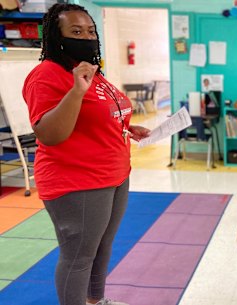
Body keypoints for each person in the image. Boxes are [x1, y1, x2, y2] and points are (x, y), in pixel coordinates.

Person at [22, 3, 149, 305]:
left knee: (103, 247)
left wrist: (129, 127)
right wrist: (76, 91)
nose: (87, 36)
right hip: (78, 180)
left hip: (115, 175)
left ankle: (96, 301)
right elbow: (50, 134)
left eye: (90, 30)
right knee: (79, 255)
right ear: (57, 36)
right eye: (75, 31)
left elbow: (97, 116)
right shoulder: (47, 75)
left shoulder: (93, 72)